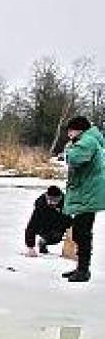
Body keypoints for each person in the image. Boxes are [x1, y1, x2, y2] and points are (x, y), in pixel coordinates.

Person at [60, 116, 105, 282]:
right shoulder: (91, 139)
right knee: (81, 232)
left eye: (70, 131)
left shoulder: (87, 141)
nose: (69, 134)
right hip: (88, 192)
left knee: (82, 233)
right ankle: (81, 267)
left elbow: (75, 158)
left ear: (78, 130)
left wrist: (68, 148)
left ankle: (83, 270)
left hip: (88, 193)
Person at [24, 185, 71, 257]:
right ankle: (43, 240)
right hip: (43, 226)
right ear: (47, 197)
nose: (53, 203)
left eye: (56, 200)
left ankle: (44, 242)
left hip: (57, 227)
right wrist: (30, 247)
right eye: (51, 200)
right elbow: (31, 227)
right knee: (34, 227)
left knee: (57, 237)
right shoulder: (40, 205)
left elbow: (69, 221)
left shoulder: (65, 204)